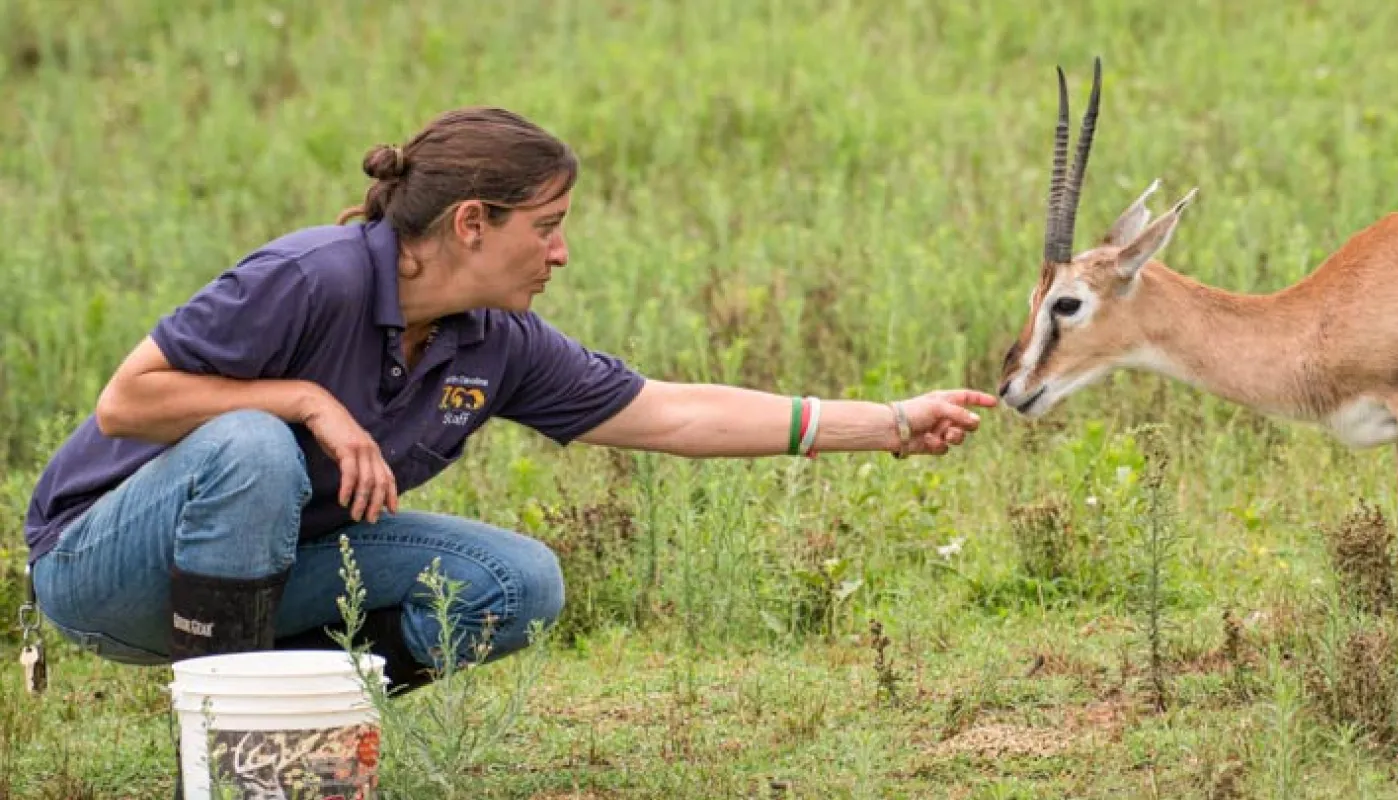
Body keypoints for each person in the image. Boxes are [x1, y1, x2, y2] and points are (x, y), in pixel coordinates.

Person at [21, 106, 997, 695]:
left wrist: (892, 423)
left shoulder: (496, 343)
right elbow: (127, 400)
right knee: (254, 442)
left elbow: (670, 413)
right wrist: (311, 400)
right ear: (472, 223)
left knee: (517, 582)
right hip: (103, 563)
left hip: (273, 572)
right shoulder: (312, 276)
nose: (563, 252)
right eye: (550, 225)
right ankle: (233, 749)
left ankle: (305, 726)